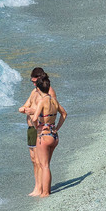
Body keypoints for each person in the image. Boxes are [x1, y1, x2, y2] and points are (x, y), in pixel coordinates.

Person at [19, 67, 65, 197]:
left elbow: (50, 111)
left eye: (35, 81)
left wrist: (33, 111)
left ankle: (42, 189)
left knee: (41, 161)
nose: (33, 84)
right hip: (31, 129)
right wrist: (25, 109)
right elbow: (24, 106)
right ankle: (37, 187)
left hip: (41, 129)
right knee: (34, 160)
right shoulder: (34, 92)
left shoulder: (49, 93)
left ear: (40, 79)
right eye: (32, 81)